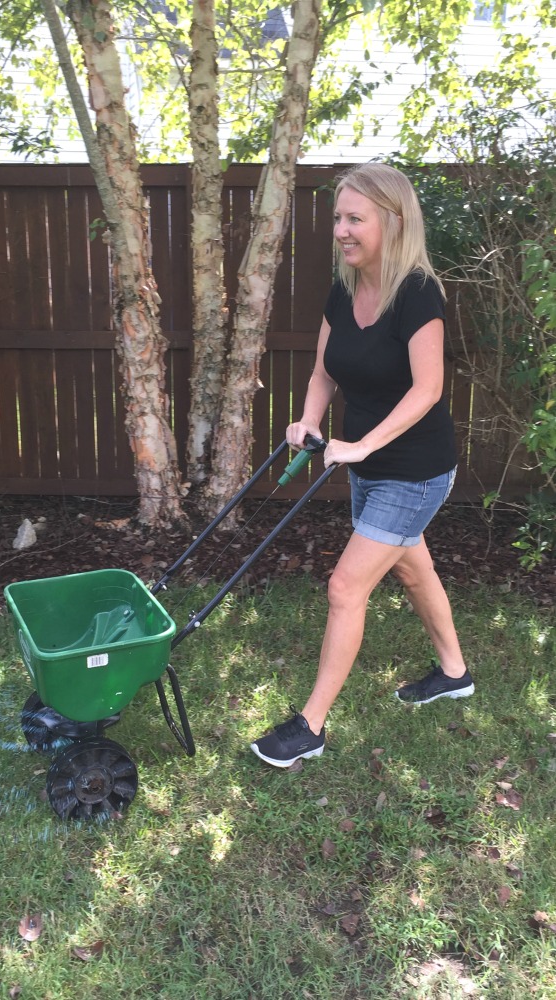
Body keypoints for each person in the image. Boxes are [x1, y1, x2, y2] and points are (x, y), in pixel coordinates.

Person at [250, 162, 474, 769]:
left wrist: (364, 445)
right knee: (411, 566)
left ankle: (310, 726)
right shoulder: (344, 289)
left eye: (356, 219)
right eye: (338, 218)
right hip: (366, 463)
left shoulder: (417, 293)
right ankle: (454, 673)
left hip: (417, 468)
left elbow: (427, 389)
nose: (342, 231)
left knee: (346, 586)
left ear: (392, 221)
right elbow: (326, 370)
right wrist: (309, 422)